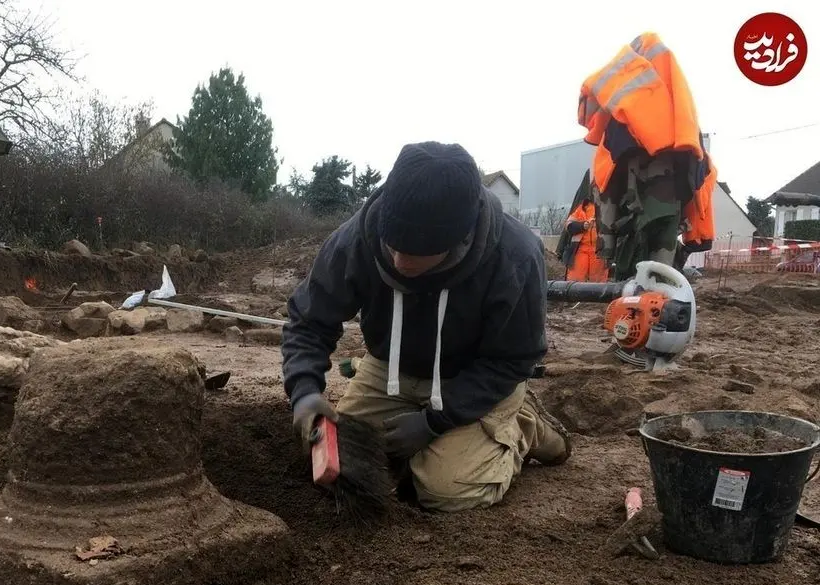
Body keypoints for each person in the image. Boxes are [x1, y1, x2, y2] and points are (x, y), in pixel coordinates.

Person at [281, 141, 572, 514]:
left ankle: (522, 428)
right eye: (394, 245)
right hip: (392, 369)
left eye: (417, 252)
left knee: (443, 489)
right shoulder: (358, 239)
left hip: (478, 379)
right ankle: (465, 438)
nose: (400, 261)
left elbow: (512, 360)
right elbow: (308, 319)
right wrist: (304, 391)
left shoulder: (515, 257)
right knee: (349, 463)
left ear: (459, 239)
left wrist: (434, 422)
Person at [579, 32, 716, 281]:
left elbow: (606, 185)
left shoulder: (625, 115)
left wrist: (607, 240)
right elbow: (699, 176)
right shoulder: (679, 118)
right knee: (657, 276)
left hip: (641, 211)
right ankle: (650, 309)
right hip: (657, 208)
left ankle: (640, 309)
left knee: (636, 279)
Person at [560, 197, 609, 282]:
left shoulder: (607, 206)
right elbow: (569, 226)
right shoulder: (582, 207)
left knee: (598, 283)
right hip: (580, 250)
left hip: (599, 250)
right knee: (575, 281)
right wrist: (583, 226)